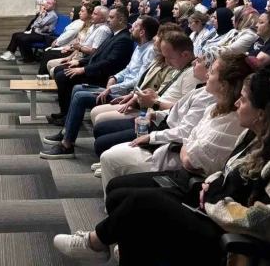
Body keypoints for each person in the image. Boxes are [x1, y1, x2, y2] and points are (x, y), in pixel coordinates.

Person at [53, 72, 270, 265]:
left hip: (231, 239)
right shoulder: (254, 135)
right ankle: (111, 248)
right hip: (216, 212)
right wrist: (211, 184)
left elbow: (268, 223)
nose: (237, 103)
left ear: (263, 112)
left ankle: (95, 242)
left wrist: (213, 200)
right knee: (121, 196)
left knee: (142, 202)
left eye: (244, 100)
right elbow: (227, 170)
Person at [102, 51, 255, 196]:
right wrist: (155, 114)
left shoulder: (225, 114)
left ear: (224, 85)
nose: (207, 72)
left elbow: (189, 156)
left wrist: (155, 133)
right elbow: (185, 125)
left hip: (182, 166)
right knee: (110, 155)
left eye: (211, 70)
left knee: (109, 159)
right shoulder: (214, 104)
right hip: (170, 139)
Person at [97, 49, 218, 190]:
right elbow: (178, 110)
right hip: (162, 126)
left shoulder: (207, 95)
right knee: (107, 149)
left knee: (108, 156)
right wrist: (155, 114)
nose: (193, 63)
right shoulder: (201, 89)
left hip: (172, 146)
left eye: (199, 61)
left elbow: (185, 131)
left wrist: (152, 135)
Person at [39, 17, 160, 159]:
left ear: (142, 32)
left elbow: (139, 80)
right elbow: (128, 69)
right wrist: (114, 78)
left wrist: (113, 88)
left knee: (80, 96)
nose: (131, 28)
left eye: (135, 26)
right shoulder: (140, 47)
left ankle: (67, 144)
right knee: (77, 88)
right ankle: (66, 132)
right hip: (119, 87)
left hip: (125, 94)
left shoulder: (149, 51)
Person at [48, 6, 133, 121]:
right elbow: (97, 54)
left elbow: (109, 62)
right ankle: (64, 112)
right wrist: (79, 62)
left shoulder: (124, 39)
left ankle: (66, 116)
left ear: (121, 20)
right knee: (60, 69)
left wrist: (83, 69)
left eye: (111, 17)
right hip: (95, 68)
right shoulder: (115, 34)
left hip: (103, 75)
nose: (108, 20)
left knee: (63, 76)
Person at [90, 23, 181, 126]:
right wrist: (129, 93)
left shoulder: (171, 66)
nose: (154, 38)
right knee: (95, 112)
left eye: (158, 35)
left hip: (147, 109)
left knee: (100, 118)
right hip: (135, 97)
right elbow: (140, 79)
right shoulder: (157, 58)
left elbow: (157, 94)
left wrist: (133, 97)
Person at [45, 5, 111, 75]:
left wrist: (78, 49)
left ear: (102, 18)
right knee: (50, 63)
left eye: (95, 14)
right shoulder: (93, 26)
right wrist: (70, 57)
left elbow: (95, 51)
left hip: (85, 59)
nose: (92, 15)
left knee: (54, 69)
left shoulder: (102, 30)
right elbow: (81, 45)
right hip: (77, 55)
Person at [37, 3, 89, 75]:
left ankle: (42, 75)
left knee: (48, 54)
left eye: (73, 12)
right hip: (71, 48)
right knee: (48, 52)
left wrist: (59, 43)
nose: (70, 13)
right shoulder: (78, 23)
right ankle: (42, 75)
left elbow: (69, 36)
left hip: (72, 50)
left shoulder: (79, 24)